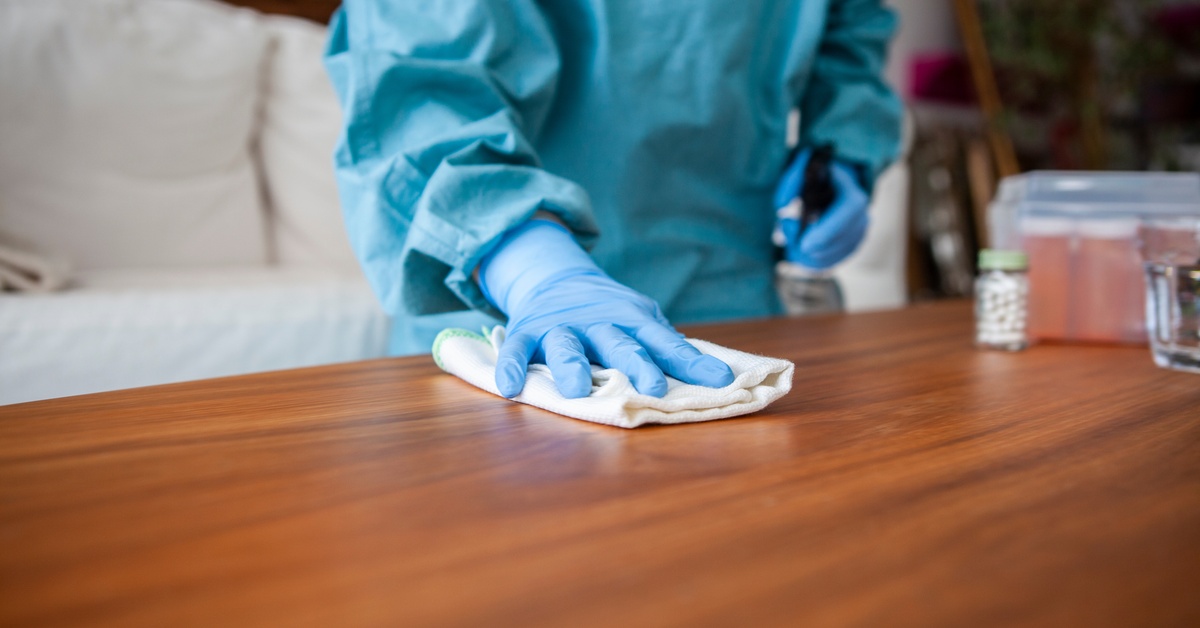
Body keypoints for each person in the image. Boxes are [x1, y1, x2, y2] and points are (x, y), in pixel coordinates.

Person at [324, 0, 903, 399]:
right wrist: (531, 269)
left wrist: (843, 151)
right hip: (516, 338)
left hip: (734, 313)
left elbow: (847, 31)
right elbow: (414, 86)